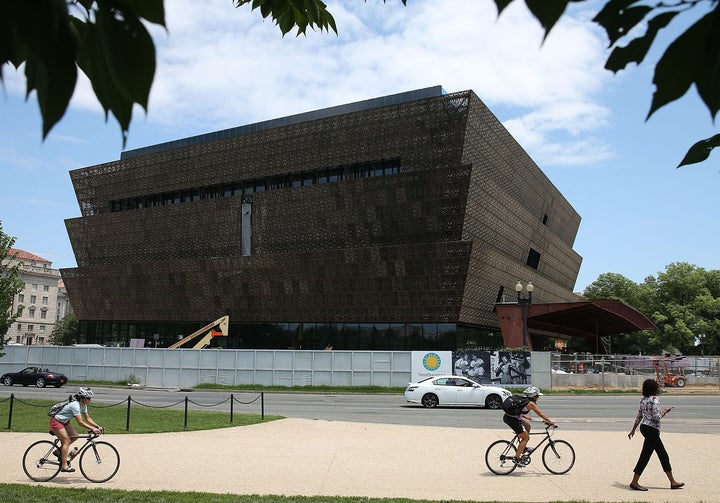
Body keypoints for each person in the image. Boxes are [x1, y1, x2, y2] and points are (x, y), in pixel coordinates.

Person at [628, 378, 684, 491]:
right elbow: (656, 417)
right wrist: (665, 412)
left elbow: (639, 415)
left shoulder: (643, 400)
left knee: (663, 455)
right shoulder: (655, 400)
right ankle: (634, 482)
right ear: (654, 389)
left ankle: (673, 482)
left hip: (644, 428)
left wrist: (633, 429)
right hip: (652, 430)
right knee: (645, 456)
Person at [49, 387, 102, 472]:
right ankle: (64, 466)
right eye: (89, 398)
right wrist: (92, 428)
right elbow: (80, 422)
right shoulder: (75, 405)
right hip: (56, 422)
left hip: (64, 422)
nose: (90, 400)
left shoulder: (83, 405)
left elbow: (88, 418)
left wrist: (97, 426)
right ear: (83, 398)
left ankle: (59, 451)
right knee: (66, 441)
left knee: (75, 436)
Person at [502, 386, 556, 464]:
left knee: (528, 426)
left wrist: (524, 416)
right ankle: (516, 459)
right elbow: (542, 415)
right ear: (534, 396)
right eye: (537, 396)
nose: (538, 398)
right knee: (526, 438)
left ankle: (523, 447)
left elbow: (518, 409)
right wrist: (552, 423)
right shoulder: (531, 404)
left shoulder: (524, 399)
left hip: (510, 417)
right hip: (512, 420)